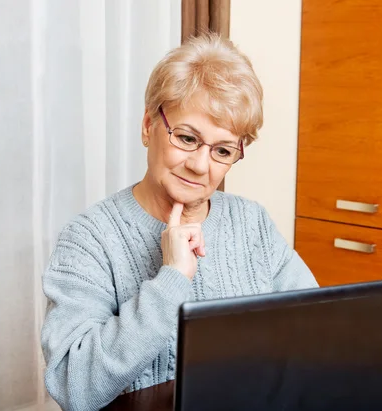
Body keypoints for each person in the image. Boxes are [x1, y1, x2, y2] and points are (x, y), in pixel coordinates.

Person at [40, 32, 318, 411]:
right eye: (186, 138)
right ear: (148, 126)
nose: (200, 165)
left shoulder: (251, 222)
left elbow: (315, 333)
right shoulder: (90, 237)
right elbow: (75, 387)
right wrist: (171, 280)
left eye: (222, 150)